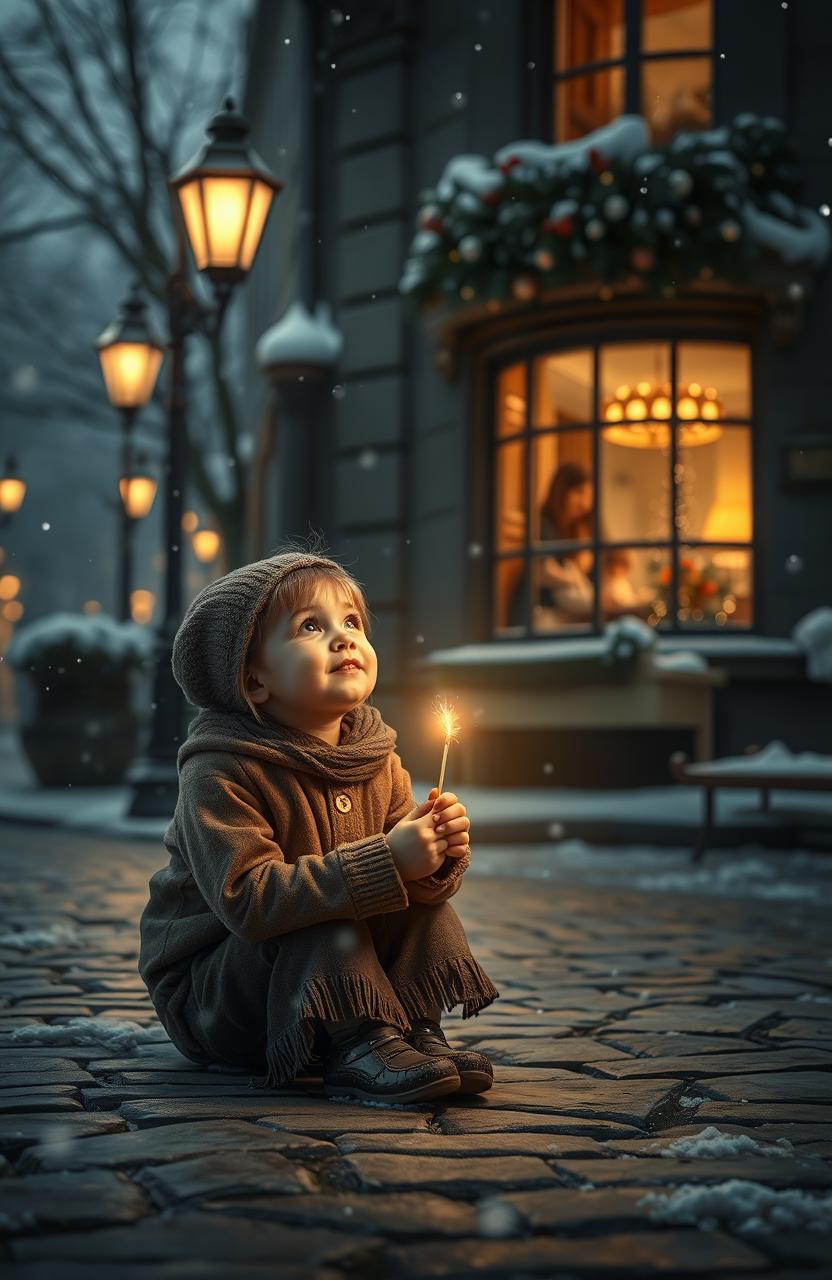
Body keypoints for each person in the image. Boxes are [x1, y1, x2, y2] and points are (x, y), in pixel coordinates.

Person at [138, 540, 500, 1105]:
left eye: (353, 620)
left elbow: (409, 878)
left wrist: (436, 854)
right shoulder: (221, 770)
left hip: (318, 981)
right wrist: (386, 861)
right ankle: (359, 1043)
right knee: (322, 918)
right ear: (253, 679)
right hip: (224, 995)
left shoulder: (377, 756)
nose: (345, 636)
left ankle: (412, 1029)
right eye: (311, 626)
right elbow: (251, 902)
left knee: (426, 906)